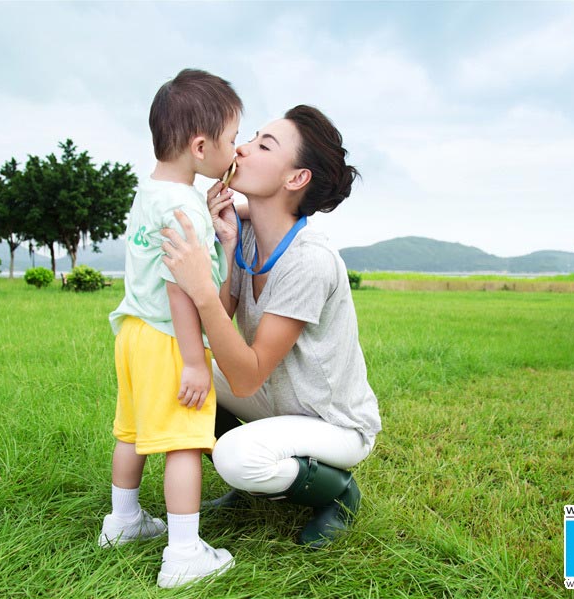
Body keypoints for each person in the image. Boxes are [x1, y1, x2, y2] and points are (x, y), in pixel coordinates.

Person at [160, 105, 382, 548]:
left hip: (333, 422)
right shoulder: (244, 235)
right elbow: (217, 329)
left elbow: (245, 374)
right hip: (276, 401)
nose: (242, 147)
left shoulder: (309, 260)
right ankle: (252, 490)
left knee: (237, 457)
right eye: (253, 136)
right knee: (179, 370)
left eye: (264, 145)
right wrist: (219, 244)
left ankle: (337, 494)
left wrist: (201, 289)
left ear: (295, 178)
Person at [98, 68, 240, 588]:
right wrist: (195, 360)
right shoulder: (186, 208)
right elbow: (183, 288)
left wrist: (211, 228)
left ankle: (124, 521)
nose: (237, 149)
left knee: (132, 432)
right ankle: (183, 554)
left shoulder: (155, 194)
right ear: (202, 147)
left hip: (133, 331)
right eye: (232, 139)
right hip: (168, 337)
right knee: (184, 441)